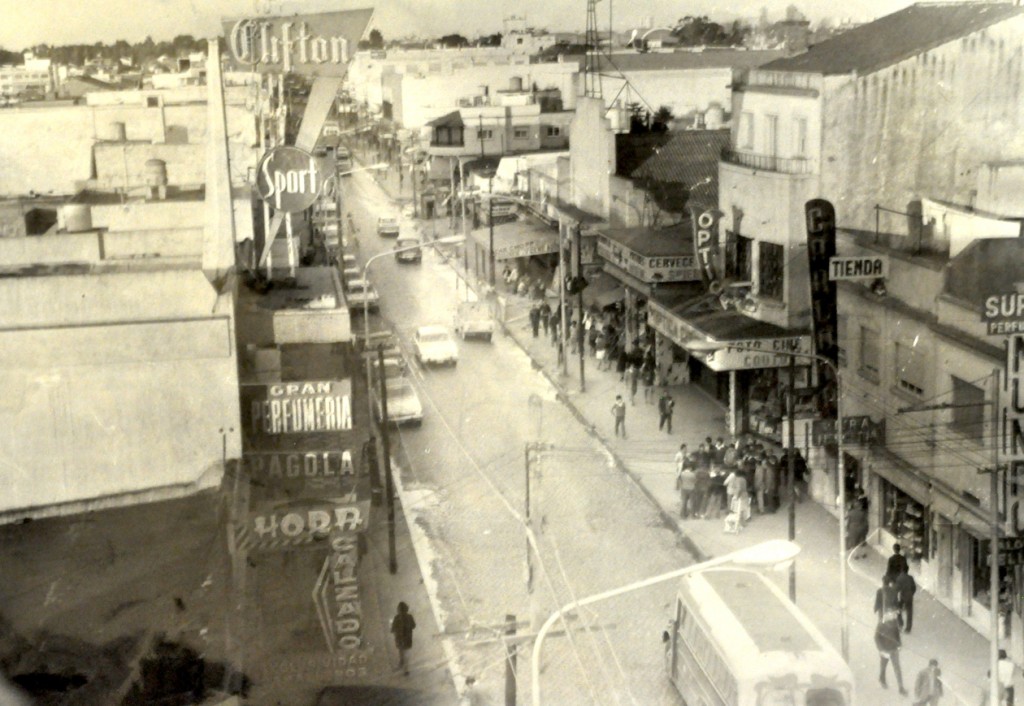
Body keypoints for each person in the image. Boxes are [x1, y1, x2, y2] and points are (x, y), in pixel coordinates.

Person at [875, 611, 907, 694]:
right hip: (885, 650)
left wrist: (899, 644)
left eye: (894, 615)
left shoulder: (894, 622)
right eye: (892, 615)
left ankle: (901, 687)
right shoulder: (881, 625)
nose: (894, 616)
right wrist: (881, 650)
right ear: (887, 615)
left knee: (897, 668)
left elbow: (897, 634)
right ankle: (882, 679)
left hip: (894, 649)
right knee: (883, 666)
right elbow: (877, 638)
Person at [391, 601, 417, 676]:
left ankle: (402, 663)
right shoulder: (410, 617)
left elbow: (393, 629)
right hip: (408, 638)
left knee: (401, 651)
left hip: (399, 638)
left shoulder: (397, 618)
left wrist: (394, 630)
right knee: (406, 653)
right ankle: (406, 669)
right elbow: (414, 626)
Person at [895, 567, 917, 633]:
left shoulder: (899, 578)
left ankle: (900, 624)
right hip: (909, 597)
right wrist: (911, 594)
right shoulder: (910, 578)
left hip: (902, 597)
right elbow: (914, 588)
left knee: (898, 610)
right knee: (909, 613)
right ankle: (908, 629)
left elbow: (897, 589)